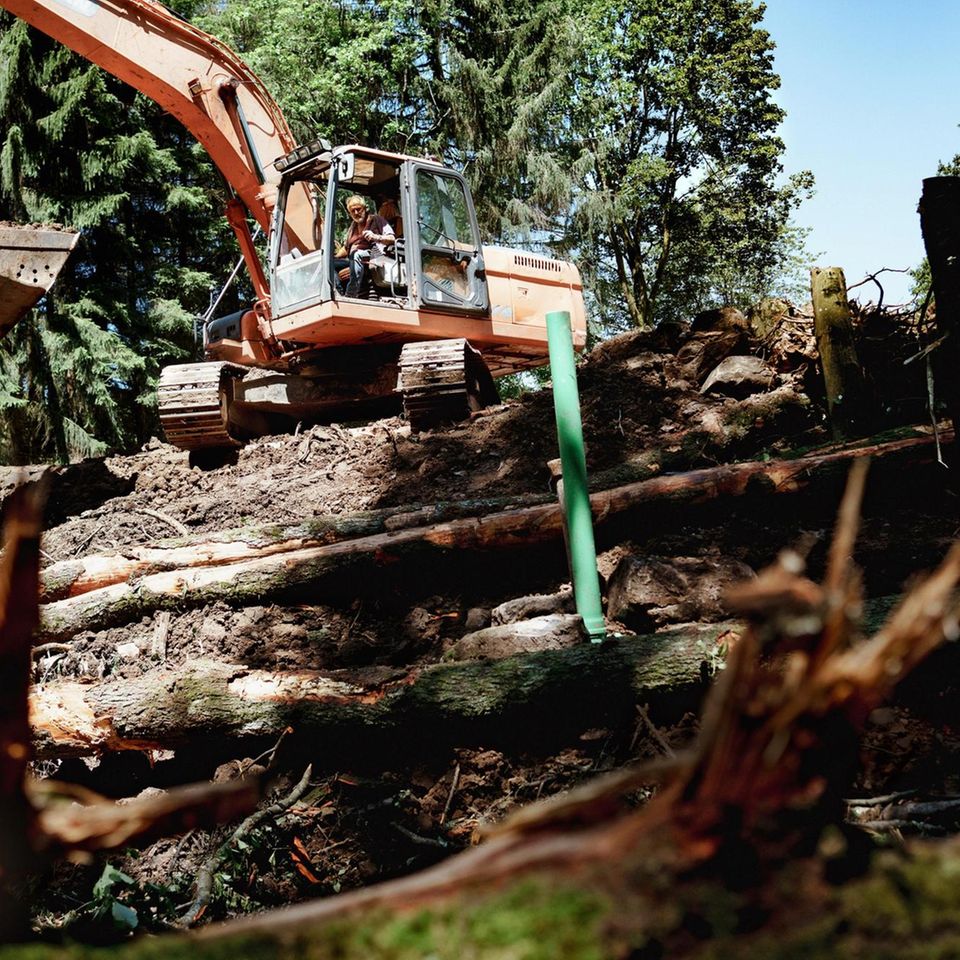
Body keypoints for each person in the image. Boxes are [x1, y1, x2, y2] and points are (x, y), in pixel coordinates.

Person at [334, 195, 394, 297]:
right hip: (353, 259)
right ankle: (338, 292)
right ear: (350, 213)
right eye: (353, 211)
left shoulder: (376, 220)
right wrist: (335, 257)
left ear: (365, 208)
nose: (356, 213)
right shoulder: (352, 227)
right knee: (328, 263)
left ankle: (351, 293)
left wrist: (375, 237)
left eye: (358, 209)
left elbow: (392, 238)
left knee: (357, 254)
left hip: (372, 255)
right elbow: (346, 248)